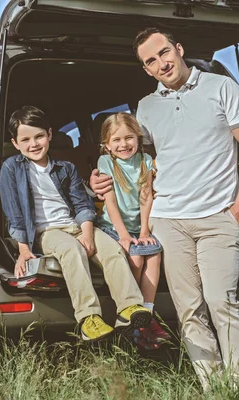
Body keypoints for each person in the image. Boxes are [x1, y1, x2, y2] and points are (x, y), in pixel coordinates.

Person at [91, 28, 239, 393]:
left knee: (222, 301)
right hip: (169, 219)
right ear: (146, 70)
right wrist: (99, 177)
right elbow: (134, 159)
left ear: (179, 49)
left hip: (219, 216)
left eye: (164, 52)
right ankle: (215, 388)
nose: (160, 63)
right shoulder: (147, 108)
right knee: (189, 308)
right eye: (150, 61)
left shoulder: (221, 87)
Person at [0, 105, 151, 342]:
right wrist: (24, 250)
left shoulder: (65, 168)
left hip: (76, 225)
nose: (34, 144)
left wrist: (88, 233)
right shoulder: (12, 168)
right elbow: (14, 211)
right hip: (45, 231)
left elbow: (83, 206)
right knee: (72, 249)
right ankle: (88, 318)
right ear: (16, 143)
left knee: (112, 250)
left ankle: (129, 309)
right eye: (26, 139)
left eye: (39, 136)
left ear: (50, 134)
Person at [95, 112, 171, 348]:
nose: (123, 144)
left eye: (128, 138)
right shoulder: (106, 163)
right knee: (136, 256)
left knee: (154, 253)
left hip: (139, 226)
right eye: (116, 140)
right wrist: (125, 235)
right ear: (106, 145)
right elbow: (110, 203)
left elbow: (146, 198)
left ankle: (147, 315)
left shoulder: (146, 161)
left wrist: (145, 231)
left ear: (138, 138)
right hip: (113, 225)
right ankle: (130, 312)